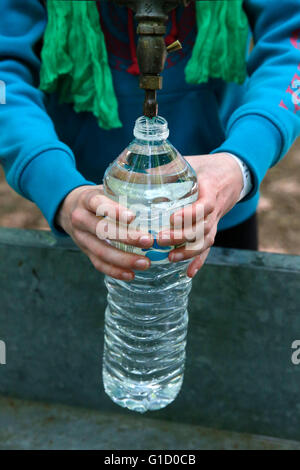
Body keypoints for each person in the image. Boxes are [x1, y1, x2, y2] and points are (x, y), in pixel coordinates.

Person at [0, 0, 299, 282]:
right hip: (88, 214)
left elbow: (291, 40)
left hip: (222, 204)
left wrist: (241, 161)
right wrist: (57, 187)